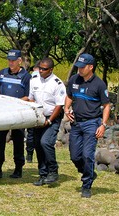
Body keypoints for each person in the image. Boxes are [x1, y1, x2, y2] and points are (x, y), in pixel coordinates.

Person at [64, 53, 110, 198]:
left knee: (87, 155)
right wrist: (66, 109)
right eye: (79, 66)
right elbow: (69, 96)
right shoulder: (74, 79)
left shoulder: (99, 84)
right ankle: (89, 172)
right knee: (75, 156)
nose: (80, 69)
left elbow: (107, 106)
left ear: (91, 67)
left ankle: (86, 185)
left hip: (92, 123)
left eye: (83, 67)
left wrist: (103, 125)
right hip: (76, 123)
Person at [0, 49, 31, 179]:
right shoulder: (2, 73)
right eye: (9, 60)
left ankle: (18, 168)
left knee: (18, 140)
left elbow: (28, 96)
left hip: (18, 114)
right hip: (3, 113)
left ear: (19, 61)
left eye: (13, 60)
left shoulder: (26, 77)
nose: (10, 63)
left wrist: (13, 103)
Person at [28, 57, 66, 186]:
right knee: (38, 144)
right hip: (38, 117)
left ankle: (53, 171)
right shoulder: (34, 80)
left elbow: (59, 105)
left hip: (52, 117)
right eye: (39, 68)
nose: (41, 71)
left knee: (46, 142)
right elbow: (31, 98)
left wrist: (49, 121)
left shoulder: (57, 83)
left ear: (50, 70)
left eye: (44, 69)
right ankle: (42, 174)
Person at [25, 60, 40, 163]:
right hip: (40, 108)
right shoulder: (43, 78)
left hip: (31, 107)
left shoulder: (29, 78)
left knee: (30, 133)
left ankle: (29, 155)